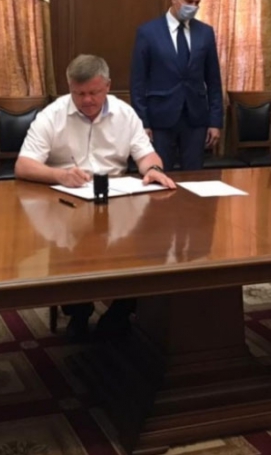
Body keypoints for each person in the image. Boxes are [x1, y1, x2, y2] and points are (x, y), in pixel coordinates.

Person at [15, 54, 176, 340]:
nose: (87, 100)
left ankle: (119, 314)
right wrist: (60, 175)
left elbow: (146, 154)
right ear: (69, 87)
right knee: (67, 249)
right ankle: (78, 314)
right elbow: (23, 166)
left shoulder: (125, 113)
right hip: (66, 200)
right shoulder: (52, 114)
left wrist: (153, 170)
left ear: (108, 86)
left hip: (117, 198)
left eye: (94, 92)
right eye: (79, 94)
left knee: (142, 249)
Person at [130, 0, 223, 170]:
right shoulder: (148, 32)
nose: (193, 7)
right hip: (160, 118)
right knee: (159, 174)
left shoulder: (205, 33)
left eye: (197, 2)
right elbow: (138, 83)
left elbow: (214, 81)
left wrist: (215, 122)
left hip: (195, 118)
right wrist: (143, 123)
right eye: (189, 1)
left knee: (194, 177)